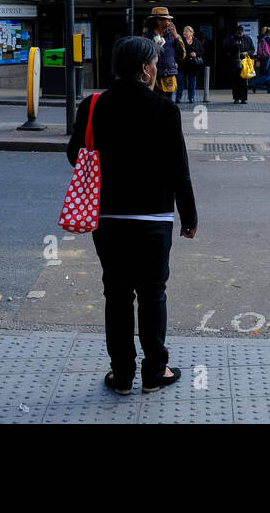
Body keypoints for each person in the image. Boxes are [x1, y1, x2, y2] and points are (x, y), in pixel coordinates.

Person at [67, 36, 198, 396]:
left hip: (107, 218)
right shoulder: (165, 110)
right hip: (153, 220)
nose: (157, 69)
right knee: (154, 293)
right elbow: (179, 170)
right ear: (144, 68)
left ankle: (122, 374)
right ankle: (156, 371)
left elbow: (74, 156)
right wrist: (189, 217)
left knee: (118, 295)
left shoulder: (94, 105)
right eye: (154, 63)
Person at [143, 7, 182, 98]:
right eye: (167, 19)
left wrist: (175, 35)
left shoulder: (175, 35)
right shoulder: (147, 36)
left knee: (167, 105)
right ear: (158, 21)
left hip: (168, 76)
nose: (170, 22)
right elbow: (143, 55)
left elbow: (182, 54)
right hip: (152, 75)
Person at [224, 25, 255, 104]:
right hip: (234, 62)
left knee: (244, 81)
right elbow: (226, 49)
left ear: (243, 32)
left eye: (241, 34)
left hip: (244, 63)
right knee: (235, 81)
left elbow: (252, 49)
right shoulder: (231, 39)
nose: (239, 35)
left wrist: (247, 53)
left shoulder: (247, 38)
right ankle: (236, 98)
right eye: (238, 34)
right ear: (236, 33)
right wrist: (235, 45)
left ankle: (244, 98)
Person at [176, 25, 204, 104]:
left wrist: (196, 53)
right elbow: (177, 52)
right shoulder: (181, 41)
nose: (184, 32)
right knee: (180, 82)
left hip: (193, 65)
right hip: (182, 65)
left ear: (191, 33)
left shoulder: (197, 41)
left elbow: (202, 51)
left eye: (186, 31)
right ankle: (178, 98)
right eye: (184, 31)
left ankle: (191, 97)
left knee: (192, 82)